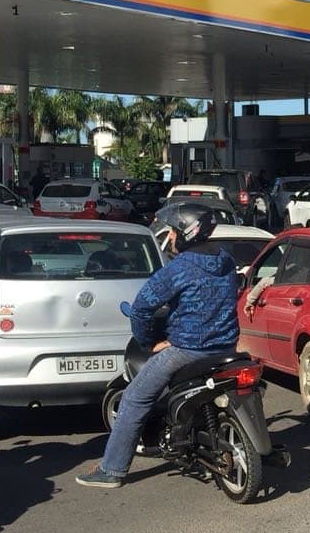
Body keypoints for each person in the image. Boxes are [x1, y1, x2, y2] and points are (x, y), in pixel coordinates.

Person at [76, 202, 239, 489]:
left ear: (186, 232)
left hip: (187, 350)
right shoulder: (225, 259)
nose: (171, 238)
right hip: (227, 348)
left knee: (134, 399)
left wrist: (148, 342)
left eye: (173, 232)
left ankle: (111, 470)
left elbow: (140, 309)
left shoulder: (180, 268)